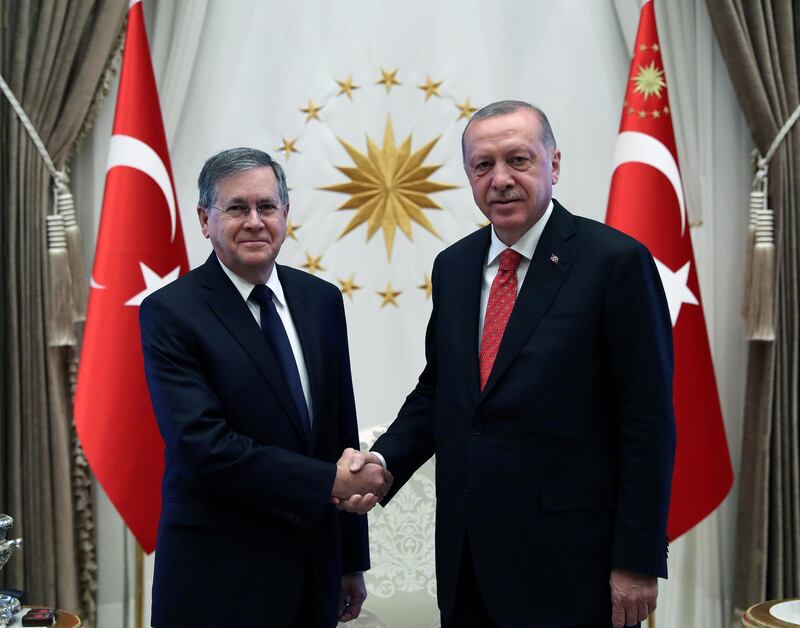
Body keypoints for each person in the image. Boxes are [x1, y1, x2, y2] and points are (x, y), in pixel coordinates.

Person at [337, 101, 676, 628]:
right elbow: (440, 391)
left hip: (573, 566)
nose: (500, 180)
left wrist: (636, 561)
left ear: (554, 164)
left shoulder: (616, 263)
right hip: (467, 560)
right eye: (482, 165)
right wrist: (382, 464)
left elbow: (647, 424)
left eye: (518, 160)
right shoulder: (453, 266)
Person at [139, 147, 391, 628]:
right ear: (205, 220)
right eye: (237, 208)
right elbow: (203, 447)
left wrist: (350, 560)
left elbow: (339, 426)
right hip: (217, 579)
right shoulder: (170, 313)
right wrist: (326, 483)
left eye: (267, 206)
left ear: (285, 215)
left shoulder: (320, 300)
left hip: (313, 572)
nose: (254, 221)